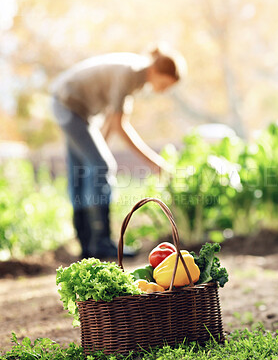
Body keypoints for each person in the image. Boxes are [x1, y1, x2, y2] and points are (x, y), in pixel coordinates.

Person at [50, 46, 185, 259]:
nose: (164, 90)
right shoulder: (130, 72)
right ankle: (100, 242)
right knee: (102, 166)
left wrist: (98, 152)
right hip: (68, 105)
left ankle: (88, 246)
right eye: (165, 84)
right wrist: (155, 163)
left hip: (72, 108)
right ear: (158, 72)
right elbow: (119, 125)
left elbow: (112, 123)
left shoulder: (135, 76)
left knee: (84, 170)